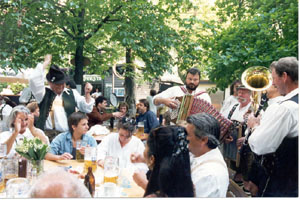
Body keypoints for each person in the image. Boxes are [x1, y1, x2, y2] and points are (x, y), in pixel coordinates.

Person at [248, 57, 298, 197]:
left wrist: (254, 127)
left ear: (285, 76)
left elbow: (260, 145)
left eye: (274, 78)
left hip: (281, 182)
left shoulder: (286, 108)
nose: (273, 83)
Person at [29, 54, 94, 142]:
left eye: (62, 84)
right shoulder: (43, 93)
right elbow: (33, 79)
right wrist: (46, 62)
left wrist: (87, 93)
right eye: (57, 84)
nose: (60, 87)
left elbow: (87, 108)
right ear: (49, 83)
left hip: (68, 136)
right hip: (48, 136)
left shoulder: (72, 93)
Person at [132, 125, 194, 197]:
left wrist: (143, 183)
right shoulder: (186, 181)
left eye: (145, 145)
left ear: (152, 159)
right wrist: (146, 159)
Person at [186, 113, 229, 197]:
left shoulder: (208, 176)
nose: (184, 137)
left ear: (203, 140)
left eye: (187, 135)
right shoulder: (200, 151)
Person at [222, 84, 252, 185]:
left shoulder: (254, 108)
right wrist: (225, 135)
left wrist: (247, 137)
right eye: (239, 92)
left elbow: (259, 127)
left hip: (245, 149)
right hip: (230, 145)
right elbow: (224, 121)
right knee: (230, 171)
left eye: (243, 92)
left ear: (250, 94)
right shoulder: (233, 106)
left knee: (243, 175)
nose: (240, 94)